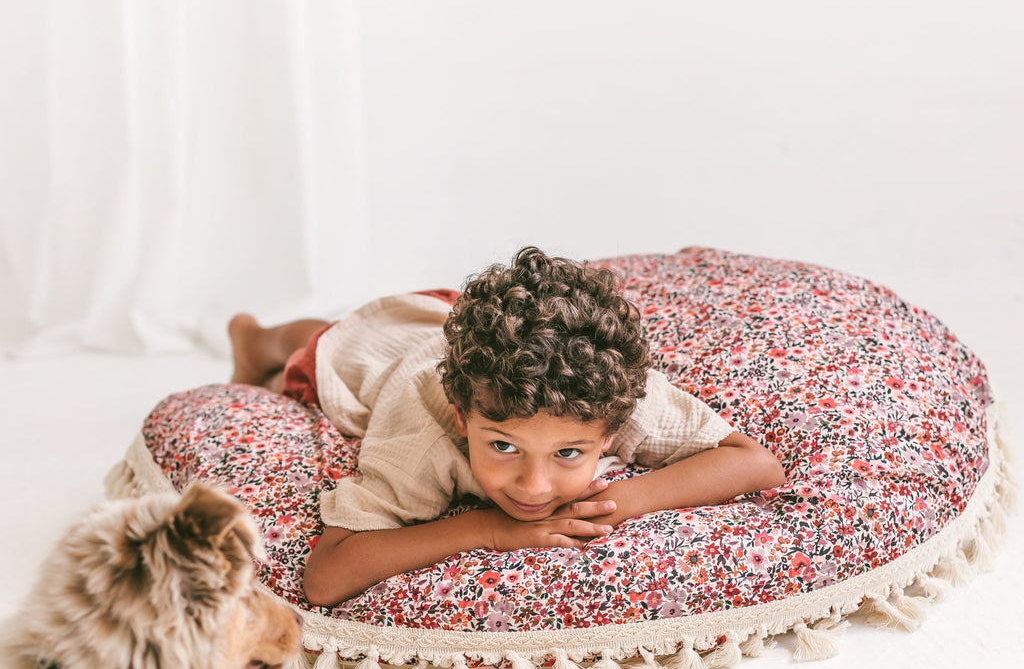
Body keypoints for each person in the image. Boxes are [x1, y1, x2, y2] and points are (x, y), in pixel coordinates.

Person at [228, 247, 786, 606]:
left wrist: (618, 501)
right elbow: (325, 576)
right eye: (502, 446)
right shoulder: (421, 440)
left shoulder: (609, 396)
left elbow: (755, 463)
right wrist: (489, 531)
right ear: (461, 417)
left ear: (611, 433)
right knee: (315, 345)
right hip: (371, 352)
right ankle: (255, 340)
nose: (533, 487)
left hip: (467, 327)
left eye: (569, 454)